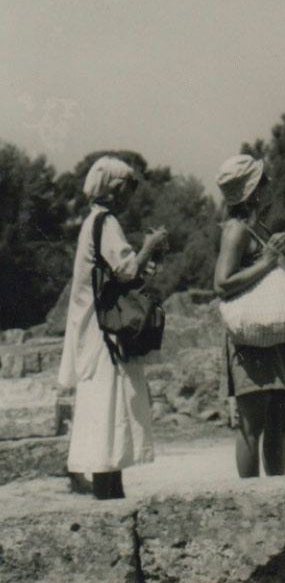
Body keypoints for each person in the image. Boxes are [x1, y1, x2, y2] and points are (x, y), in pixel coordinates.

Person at [59, 156, 167, 500]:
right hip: (105, 336)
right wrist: (150, 245)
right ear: (117, 189)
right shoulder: (106, 223)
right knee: (110, 416)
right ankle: (109, 498)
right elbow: (125, 271)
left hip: (93, 332)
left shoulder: (92, 221)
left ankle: (110, 494)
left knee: (106, 417)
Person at [213, 154, 285, 478]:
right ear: (252, 191)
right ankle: (251, 506)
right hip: (251, 336)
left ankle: (278, 499)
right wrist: (267, 261)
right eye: (264, 180)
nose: (270, 185)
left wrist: (273, 253)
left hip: (270, 333)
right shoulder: (235, 230)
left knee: (278, 422)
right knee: (252, 424)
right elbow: (221, 283)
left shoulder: (254, 227)